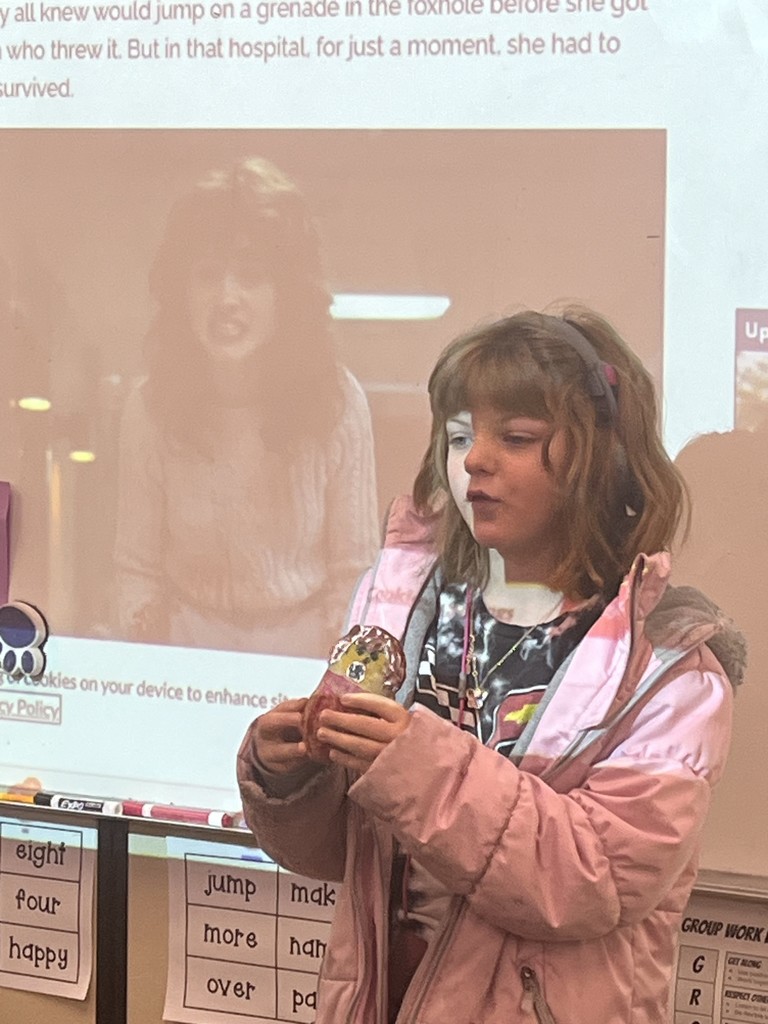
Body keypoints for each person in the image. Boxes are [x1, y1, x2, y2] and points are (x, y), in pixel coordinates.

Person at [238, 308, 743, 1023]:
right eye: (458, 436)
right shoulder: (400, 605)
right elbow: (339, 852)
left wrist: (414, 765)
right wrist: (289, 777)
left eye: (516, 438)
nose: (474, 460)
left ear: (603, 461)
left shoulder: (670, 670)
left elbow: (591, 881)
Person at [114, 157, 379, 656]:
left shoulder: (337, 402)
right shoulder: (150, 407)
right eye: (208, 275)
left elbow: (355, 575)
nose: (227, 298)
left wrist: (331, 680)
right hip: (185, 650)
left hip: (305, 652)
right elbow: (137, 571)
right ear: (181, 291)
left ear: (287, 295)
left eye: (252, 277)